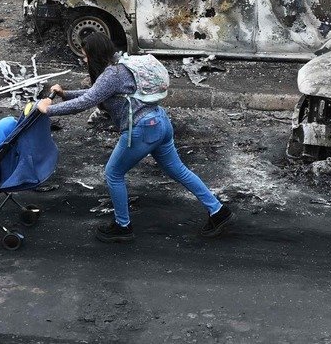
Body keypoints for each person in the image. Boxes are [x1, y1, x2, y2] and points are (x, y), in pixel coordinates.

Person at [38, 31, 233, 242]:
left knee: (113, 173)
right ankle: (218, 211)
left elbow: (86, 101)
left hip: (144, 129)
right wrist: (64, 94)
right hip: (159, 121)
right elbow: (95, 94)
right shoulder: (120, 65)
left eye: (85, 56)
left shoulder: (112, 74)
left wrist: (48, 110)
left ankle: (123, 226)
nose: (84, 60)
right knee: (179, 170)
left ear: (94, 54)